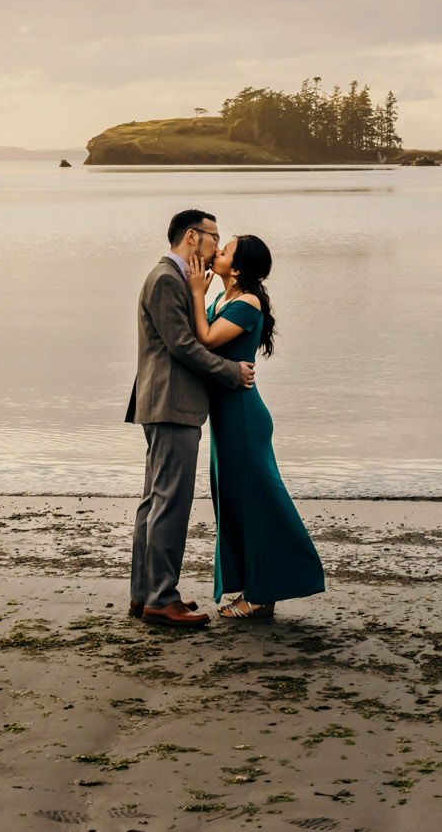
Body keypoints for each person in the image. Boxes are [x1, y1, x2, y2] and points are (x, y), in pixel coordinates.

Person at [125, 209, 256, 627]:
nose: (218, 245)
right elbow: (183, 346)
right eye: (213, 237)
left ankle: (145, 594)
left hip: (164, 403)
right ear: (191, 236)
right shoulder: (167, 278)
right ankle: (161, 599)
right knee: (169, 505)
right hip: (171, 403)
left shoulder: (177, 278)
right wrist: (232, 373)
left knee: (154, 502)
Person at [187, 233, 325, 619]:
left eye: (225, 250)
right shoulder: (225, 298)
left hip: (244, 417)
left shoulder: (246, 303)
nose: (217, 252)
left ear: (239, 266)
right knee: (232, 503)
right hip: (226, 417)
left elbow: (207, 339)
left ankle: (262, 594)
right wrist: (206, 292)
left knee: (258, 504)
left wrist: (198, 291)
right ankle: (254, 586)